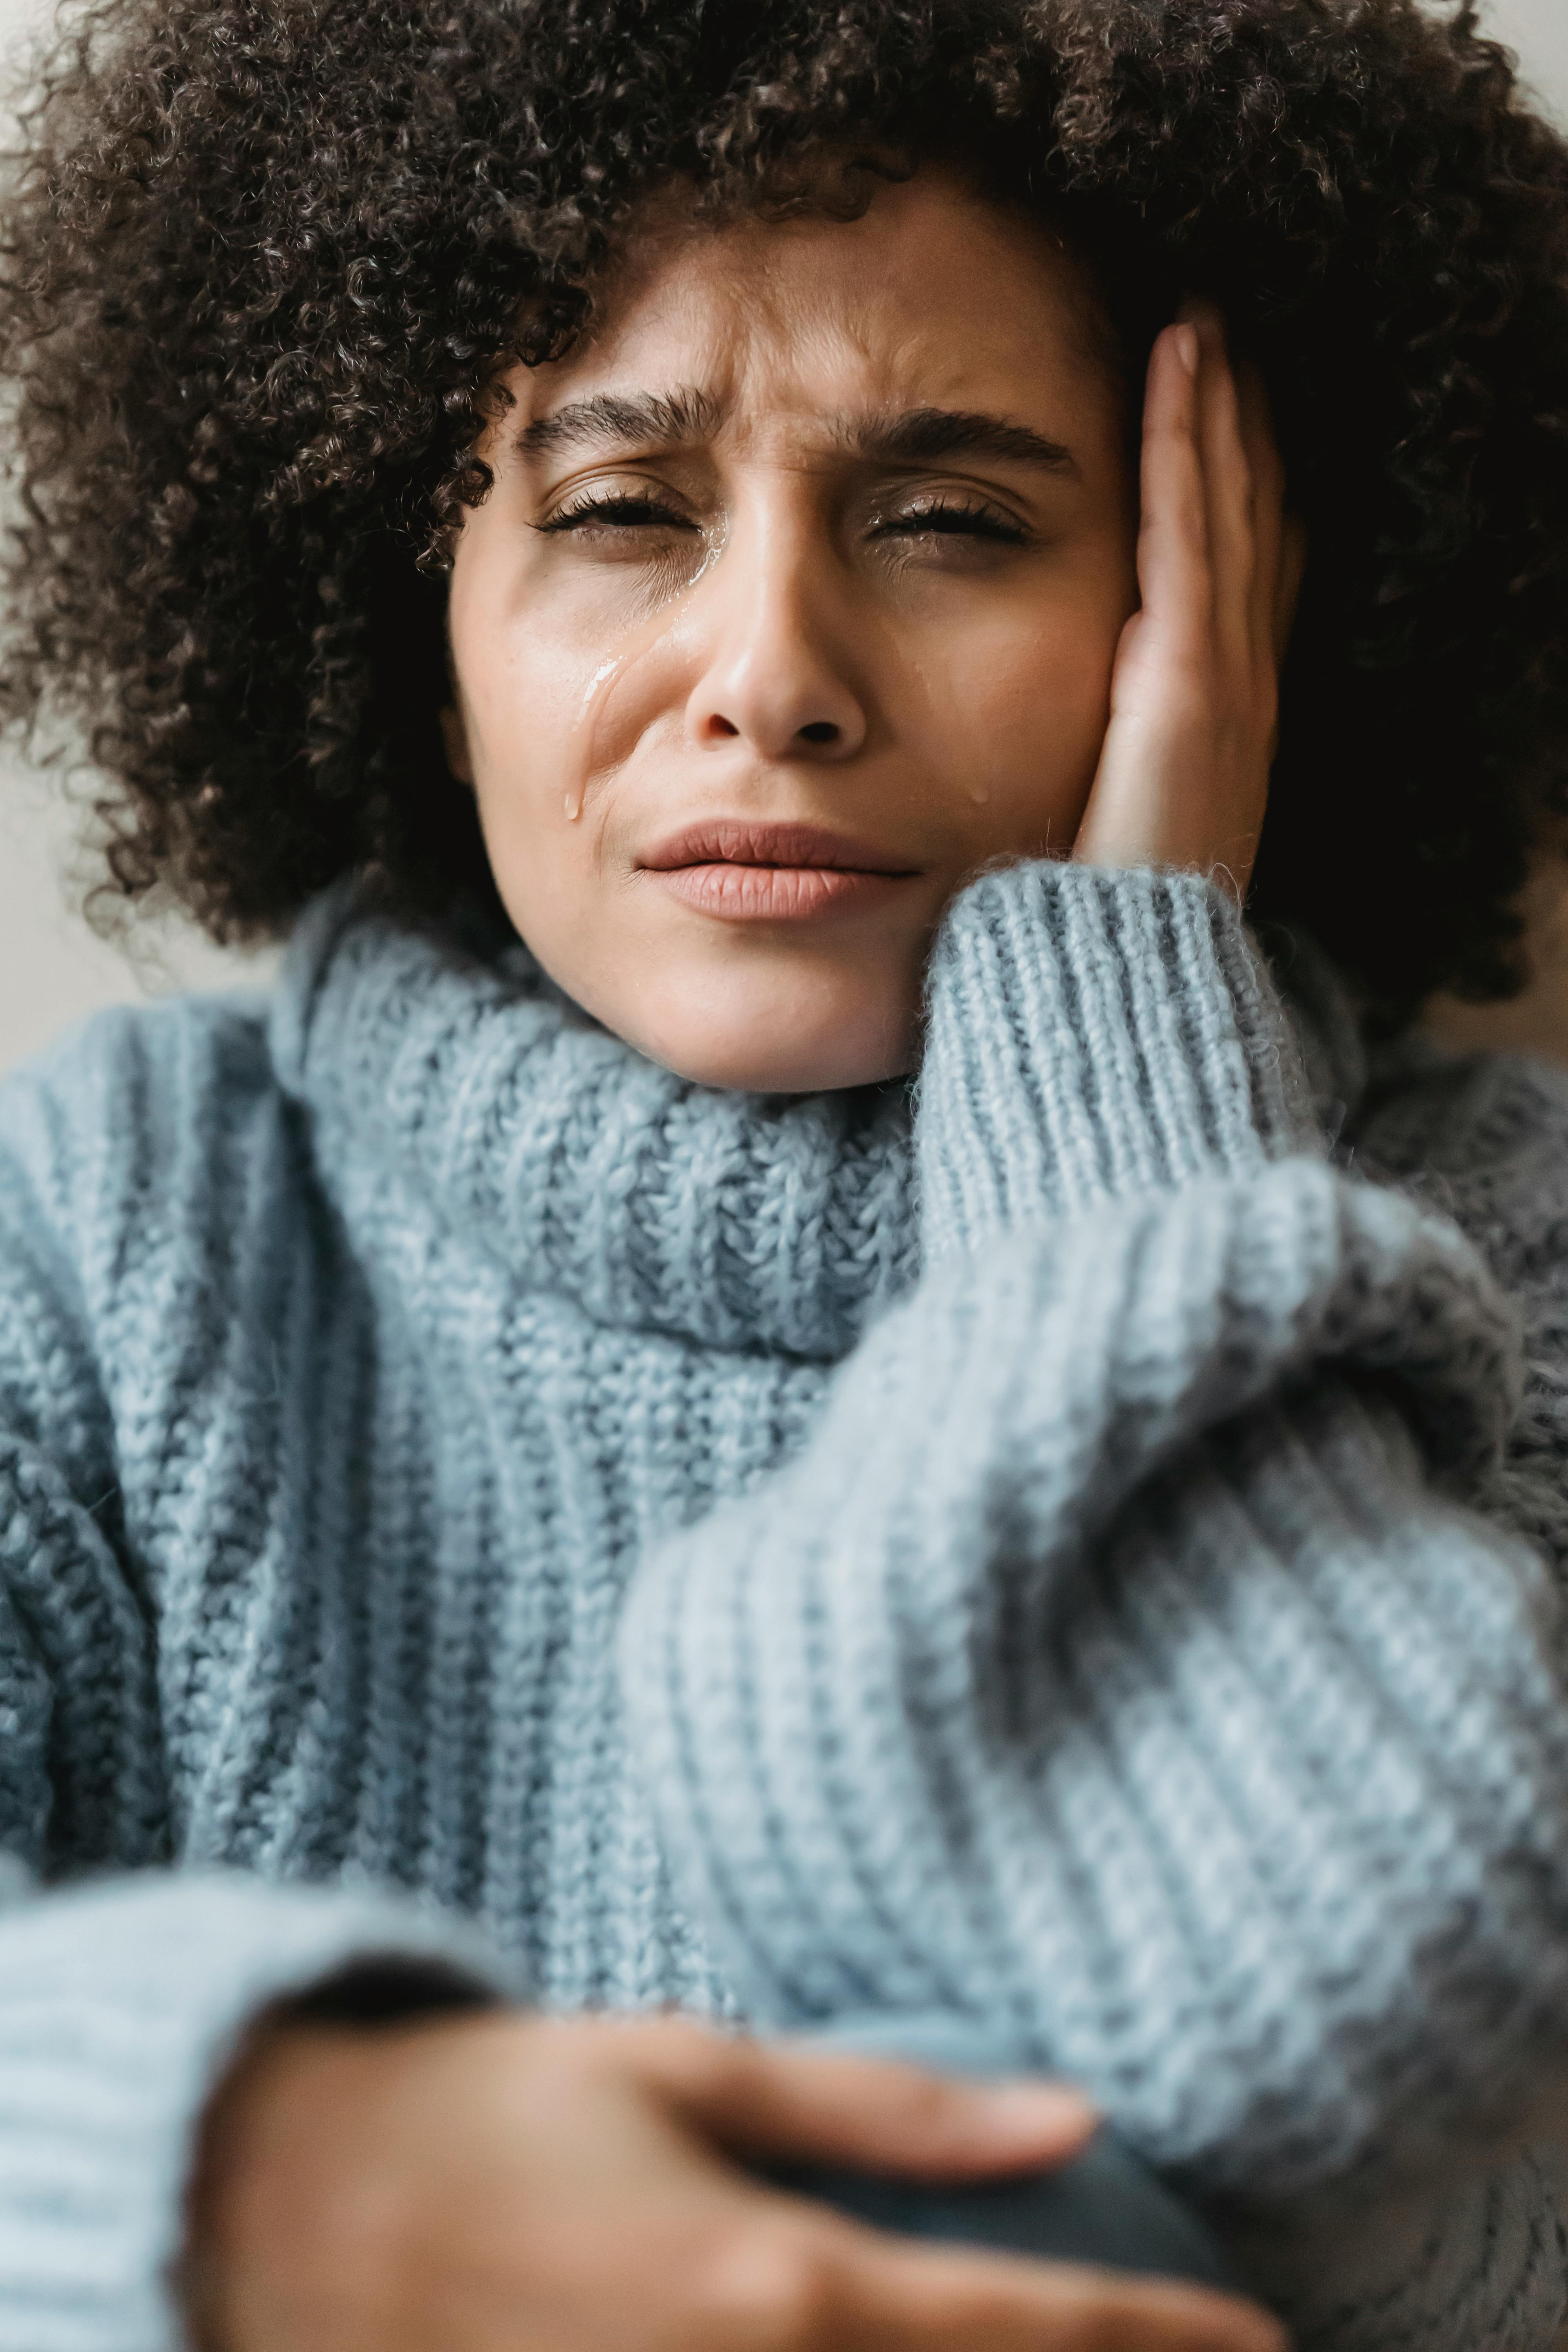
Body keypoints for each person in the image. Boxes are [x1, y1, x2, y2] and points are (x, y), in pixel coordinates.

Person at [3, 0, 1568, 2344]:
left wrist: (1130, 1064)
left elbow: (1338, 2070)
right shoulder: (114, 1227)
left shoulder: (1500, 1248)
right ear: (421, 632)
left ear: (1222, 624)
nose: (775, 672)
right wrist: (246, 2157)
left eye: (953, 521)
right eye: (623, 514)